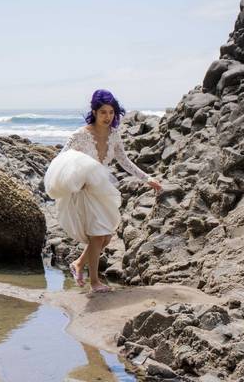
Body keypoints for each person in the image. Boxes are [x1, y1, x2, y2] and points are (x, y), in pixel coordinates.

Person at [43, 89, 163, 293]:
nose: (108, 117)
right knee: (98, 236)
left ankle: (78, 264)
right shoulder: (80, 135)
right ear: (94, 112)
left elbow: (124, 160)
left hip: (101, 190)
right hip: (81, 191)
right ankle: (94, 282)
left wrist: (147, 178)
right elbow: (61, 160)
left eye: (111, 112)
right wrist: (71, 182)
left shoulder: (114, 134)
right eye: (103, 112)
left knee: (105, 238)